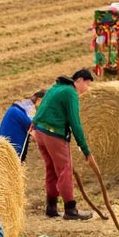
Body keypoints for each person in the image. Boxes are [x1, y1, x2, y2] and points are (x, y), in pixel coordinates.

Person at [31, 68, 97, 220]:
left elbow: (41, 109)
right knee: (65, 169)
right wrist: (86, 151)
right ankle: (70, 209)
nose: (87, 90)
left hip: (40, 131)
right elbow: (75, 122)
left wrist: (34, 126)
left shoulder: (56, 87)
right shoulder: (70, 92)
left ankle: (51, 207)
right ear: (79, 80)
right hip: (53, 133)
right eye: (87, 84)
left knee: (51, 169)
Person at [0, 89, 45, 161]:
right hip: (12, 148)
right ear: (39, 100)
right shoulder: (20, 111)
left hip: (11, 145)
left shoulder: (19, 108)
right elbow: (34, 126)